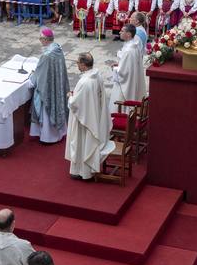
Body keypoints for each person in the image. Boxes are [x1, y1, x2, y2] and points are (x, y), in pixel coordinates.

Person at [65, 52, 112, 180]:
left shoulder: (85, 81)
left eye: (78, 63)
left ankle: (82, 171)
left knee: (82, 143)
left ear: (84, 65)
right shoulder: (96, 76)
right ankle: (86, 170)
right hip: (93, 115)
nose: (77, 65)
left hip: (84, 121)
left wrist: (70, 97)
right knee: (87, 143)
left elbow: (75, 104)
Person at [29, 27, 70, 143]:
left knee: (46, 109)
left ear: (46, 39)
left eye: (41, 38)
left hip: (48, 88)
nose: (40, 41)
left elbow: (39, 75)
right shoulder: (57, 48)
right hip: (57, 85)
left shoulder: (47, 55)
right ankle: (59, 133)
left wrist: (31, 79)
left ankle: (48, 137)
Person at [107, 24, 146, 105]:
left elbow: (123, 72)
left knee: (119, 102)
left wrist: (115, 68)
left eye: (122, 31)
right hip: (132, 80)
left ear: (128, 34)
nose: (120, 32)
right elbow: (130, 65)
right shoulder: (133, 45)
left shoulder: (129, 50)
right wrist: (119, 63)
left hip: (126, 85)